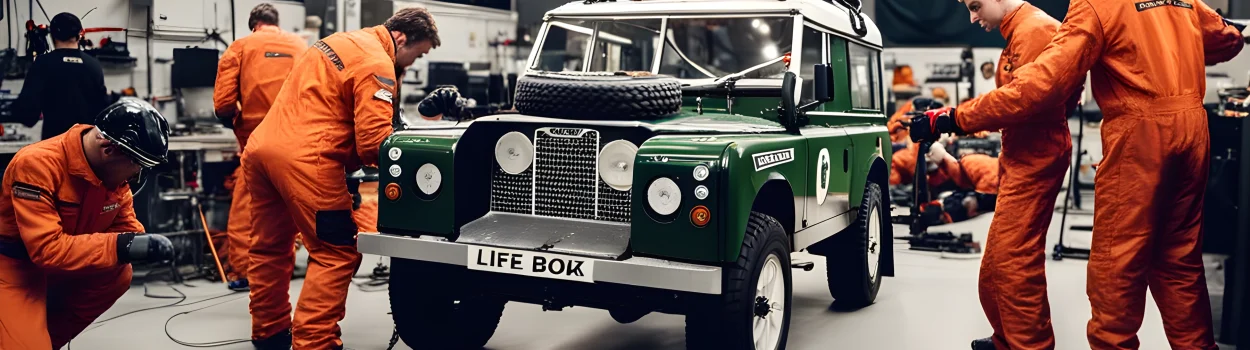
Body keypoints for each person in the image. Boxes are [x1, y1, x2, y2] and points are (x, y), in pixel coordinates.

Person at [912, 0, 1245, 348]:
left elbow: (1041, 85)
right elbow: (1225, 39)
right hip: (1193, 131)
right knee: (1180, 262)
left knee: (1116, 267)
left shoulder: (1094, 5)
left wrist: (953, 118)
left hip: (1141, 138)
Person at [242, 7, 442, 349]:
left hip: (261, 151)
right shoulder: (377, 63)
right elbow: (372, 144)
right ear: (401, 38)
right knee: (336, 250)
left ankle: (270, 333)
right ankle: (314, 342)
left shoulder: (337, 42)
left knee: (269, 247)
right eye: (416, 54)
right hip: (306, 161)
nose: (411, 64)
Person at [0, 99, 175, 349]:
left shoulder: (113, 180)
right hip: (15, 267)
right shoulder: (37, 164)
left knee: (118, 274)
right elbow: (46, 250)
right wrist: (121, 246)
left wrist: (138, 244)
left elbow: (127, 230)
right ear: (108, 148)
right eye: (138, 164)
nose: (138, 175)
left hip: (63, 262)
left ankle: (41, 338)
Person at [211, 3, 308, 293]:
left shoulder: (241, 46)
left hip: (256, 140)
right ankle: (297, 263)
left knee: (247, 205)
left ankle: (242, 271)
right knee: (298, 201)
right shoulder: (300, 45)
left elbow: (223, 103)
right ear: (276, 23)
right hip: (296, 136)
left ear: (254, 25)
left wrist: (234, 121)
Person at [7, 12, 109, 140]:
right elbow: (103, 112)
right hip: (86, 149)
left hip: (55, 149)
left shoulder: (43, 63)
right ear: (79, 34)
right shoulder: (93, 65)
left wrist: (10, 108)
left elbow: (28, 114)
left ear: (52, 35)